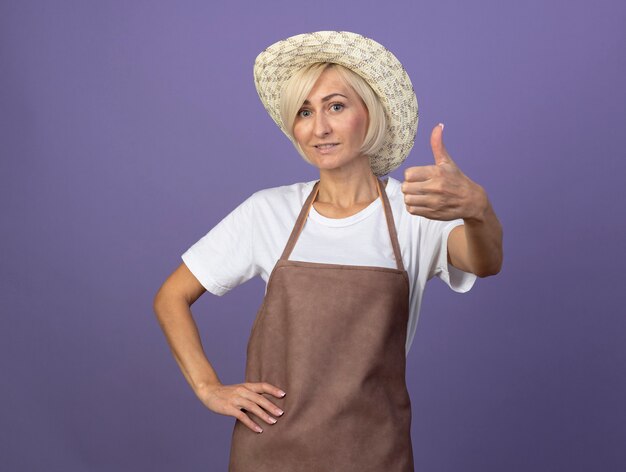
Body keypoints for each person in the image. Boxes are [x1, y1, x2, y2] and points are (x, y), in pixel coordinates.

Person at [153, 31, 502, 471]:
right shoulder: (268, 211)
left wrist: (478, 210)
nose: (318, 127)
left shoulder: (414, 212)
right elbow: (170, 297)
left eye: (335, 106)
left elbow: (484, 262)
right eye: (304, 112)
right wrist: (208, 387)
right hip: (269, 453)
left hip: (374, 453)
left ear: (368, 114)